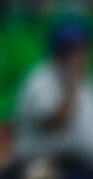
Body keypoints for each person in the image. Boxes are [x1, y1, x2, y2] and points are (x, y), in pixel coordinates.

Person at [14, 17, 93, 169]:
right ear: (56, 51)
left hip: (80, 166)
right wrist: (71, 89)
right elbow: (52, 123)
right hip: (44, 164)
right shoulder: (40, 80)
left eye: (79, 48)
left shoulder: (82, 81)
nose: (76, 55)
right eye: (68, 49)